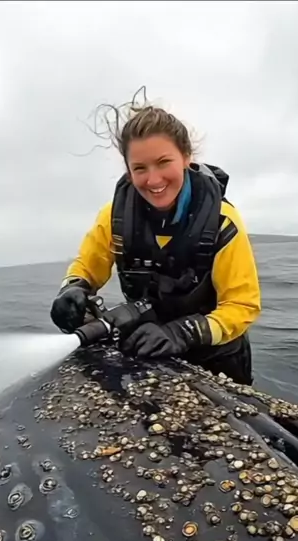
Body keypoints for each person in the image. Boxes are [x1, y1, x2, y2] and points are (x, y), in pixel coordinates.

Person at [50, 93, 261, 385]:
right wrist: (72, 290)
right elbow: (86, 268)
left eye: (163, 162)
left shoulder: (222, 221)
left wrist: (180, 334)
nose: (153, 180)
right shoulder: (113, 218)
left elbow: (242, 305)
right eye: (140, 168)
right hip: (147, 353)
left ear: (186, 157)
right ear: (128, 170)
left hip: (217, 358)